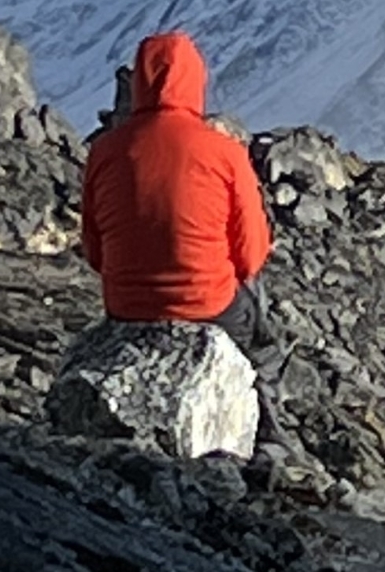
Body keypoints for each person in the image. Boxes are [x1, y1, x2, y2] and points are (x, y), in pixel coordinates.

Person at [79, 31, 281, 423]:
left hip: (126, 308)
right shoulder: (224, 153)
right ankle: (266, 423)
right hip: (209, 307)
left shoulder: (105, 151)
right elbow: (252, 253)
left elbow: (94, 250)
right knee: (258, 328)